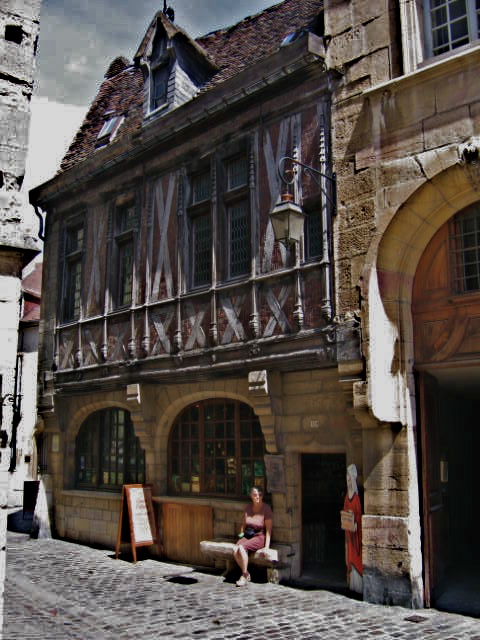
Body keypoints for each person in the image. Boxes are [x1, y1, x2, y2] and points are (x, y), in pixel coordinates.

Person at [233, 486, 272, 586]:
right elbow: (243, 525)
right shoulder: (248, 508)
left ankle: (244, 575)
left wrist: (266, 547)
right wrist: (240, 537)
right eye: (255, 495)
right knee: (235, 549)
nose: (258, 496)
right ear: (251, 496)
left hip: (260, 536)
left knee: (241, 548)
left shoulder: (266, 509)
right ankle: (246, 572)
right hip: (249, 534)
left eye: (260, 494)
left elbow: (268, 530)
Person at [343, 463, 363, 593]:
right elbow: (345, 509)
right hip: (349, 533)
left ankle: (358, 584)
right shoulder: (347, 496)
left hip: (355, 533)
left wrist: (355, 523)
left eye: (350, 478)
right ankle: (351, 583)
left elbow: (359, 513)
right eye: (347, 478)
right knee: (349, 555)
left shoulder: (355, 498)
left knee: (356, 555)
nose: (349, 481)